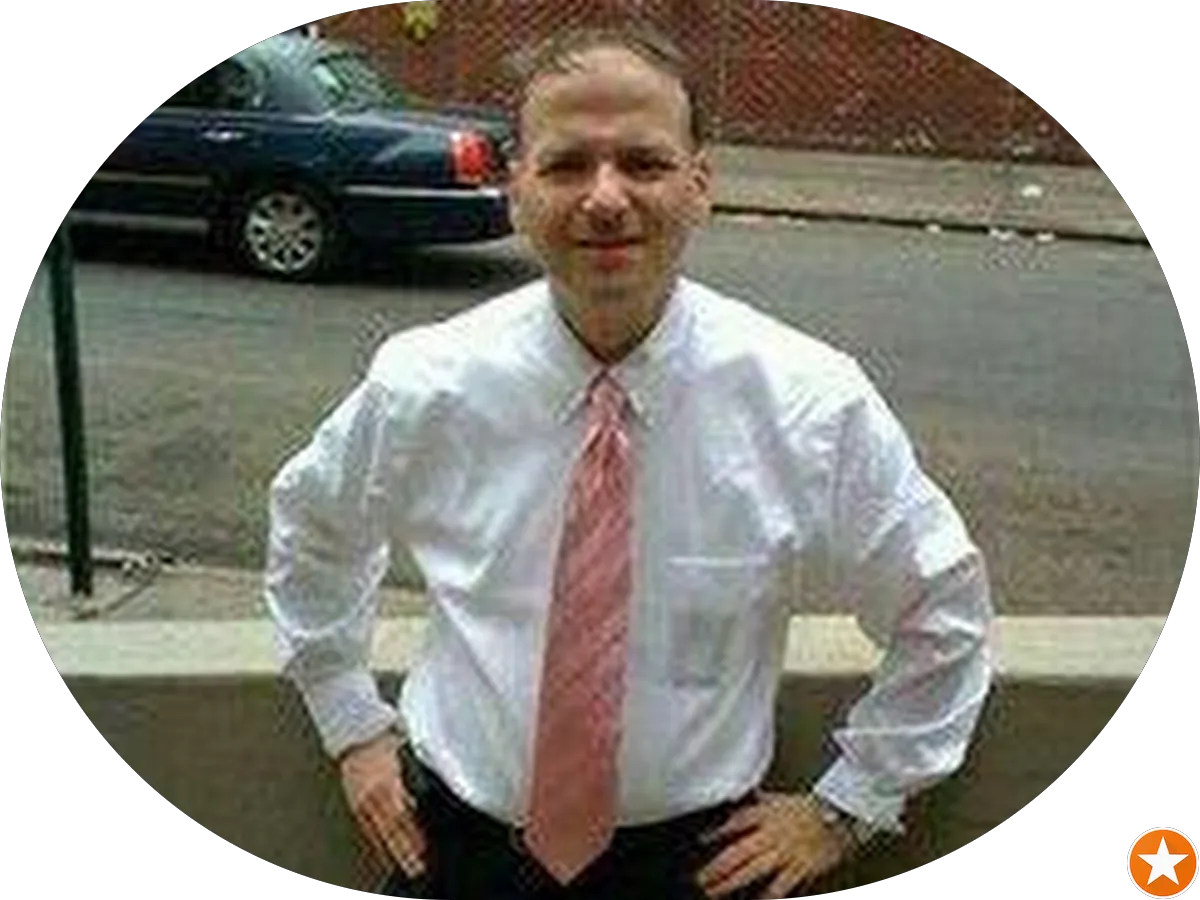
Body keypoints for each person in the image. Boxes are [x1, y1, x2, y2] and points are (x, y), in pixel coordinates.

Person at [264, 22, 995, 900]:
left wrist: (849, 806)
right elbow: (314, 531)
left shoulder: (809, 402)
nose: (605, 198)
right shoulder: (426, 384)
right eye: (567, 164)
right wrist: (351, 722)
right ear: (517, 189)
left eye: (644, 163)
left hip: (700, 866)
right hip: (453, 852)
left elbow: (942, 609)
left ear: (699, 185)